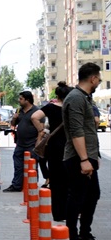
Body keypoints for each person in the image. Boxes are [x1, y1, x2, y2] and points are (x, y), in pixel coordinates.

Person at [61, 62, 106, 240]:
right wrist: (84, 160)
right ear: (93, 78)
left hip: (87, 156)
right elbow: (77, 131)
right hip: (77, 157)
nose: (99, 82)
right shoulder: (76, 98)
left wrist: (93, 156)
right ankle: (72, 238)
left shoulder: (85, 98)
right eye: (98, 79)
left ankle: (85, 234)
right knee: (77, 197)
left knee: (92, 194)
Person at [31, 81, 72, 221]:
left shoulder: (50, 107)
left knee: (55, 180)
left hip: (53, 146)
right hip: (68, 146)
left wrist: (41, 130)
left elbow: (34, 117)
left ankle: (57, 213)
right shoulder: (70, 107)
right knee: (68, 180)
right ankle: (68, 212)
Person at [3, 91, 39, 192]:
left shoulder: (36, 111)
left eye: (21, 99)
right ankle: (17, 185)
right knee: (18, 165)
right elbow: (13, 124)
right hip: (20, 144)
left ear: (27, 100)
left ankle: (32, 186)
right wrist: (14, 119)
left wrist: (38, 143)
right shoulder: (20, 111)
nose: (19, 100)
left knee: (32, 166)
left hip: (32, 144)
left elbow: (41, 129)